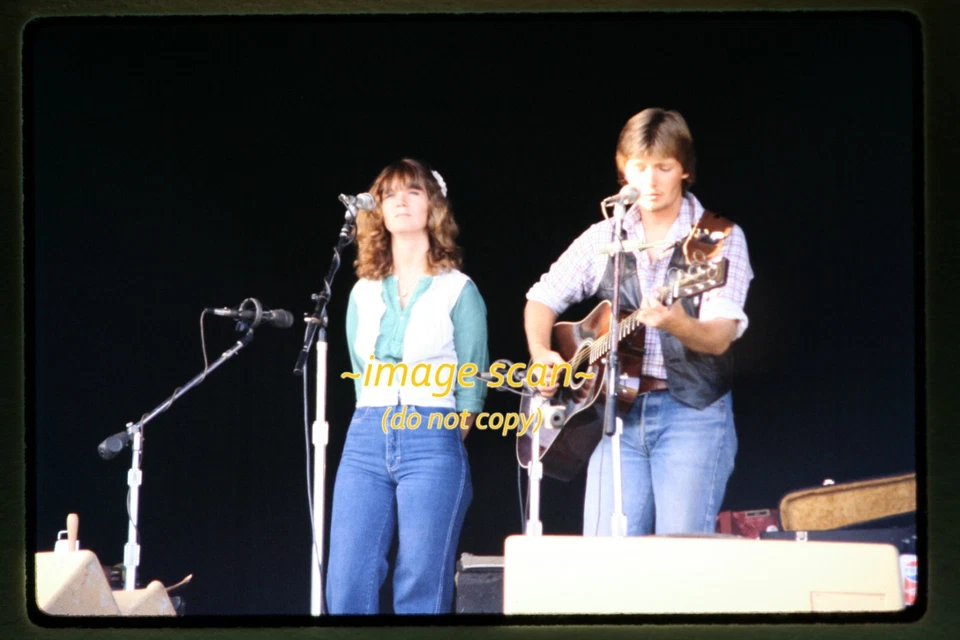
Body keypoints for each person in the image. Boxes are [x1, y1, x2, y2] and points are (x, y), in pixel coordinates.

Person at [524, 108, 753, 537]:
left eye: (663, 167)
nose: (650, 180)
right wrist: (543, 352)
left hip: (692, 415)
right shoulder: (606, 237)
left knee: (679, 556)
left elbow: (721, 336)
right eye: (640, 167)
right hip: (614, 414)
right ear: (622, 169)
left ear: (684, 169)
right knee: (605, 557)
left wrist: (675, 323)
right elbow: (542, 297)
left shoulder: (718, 239)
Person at [325, 158, 489, 614]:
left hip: (432, 431)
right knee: (347, 577)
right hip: (366, 436)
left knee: (420, 578)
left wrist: (439, 437)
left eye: (413, 191)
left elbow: (471, 382)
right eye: (389, 193)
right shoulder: (361, 291)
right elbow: (361, 371)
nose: (400, 200)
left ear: (433, 206)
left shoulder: (459, 289)